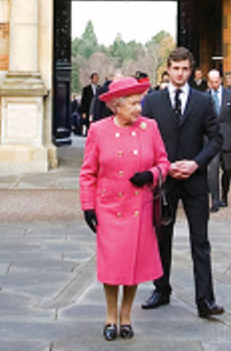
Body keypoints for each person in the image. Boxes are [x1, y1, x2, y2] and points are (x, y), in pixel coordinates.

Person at [79, 77, 169, 341]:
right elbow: (88, 173)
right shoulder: (98, 130)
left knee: (133, 265)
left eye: (139, 103)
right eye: (132, 104)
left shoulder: (150, 128)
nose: (138, 109)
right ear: (117, 106)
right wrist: (88, 206)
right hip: (108, 207)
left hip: (138, 206)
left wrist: (151, 175)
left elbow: (164, 163)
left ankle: (126, 316)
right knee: (112, 266)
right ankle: (110, 316)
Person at [140, 47, 224, 319]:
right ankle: (161, 289)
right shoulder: (152, 101)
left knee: (200, 240)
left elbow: (215, 139)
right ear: (168, 68)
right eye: (175, 68)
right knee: (162, 237)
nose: (180, 73)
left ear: (191, 70)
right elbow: (145, 141)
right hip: (164, 181)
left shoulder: (202, 101)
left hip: (195, 180)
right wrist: (164, 167)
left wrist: (196, 163)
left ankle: (205, 299)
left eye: (185, 69)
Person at [206, 69, 231, 211]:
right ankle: (215, 200)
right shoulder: (204, 97)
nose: (214, 84)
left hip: (227, 137)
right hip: (211, 138)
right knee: (212, 171)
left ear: (220, 80)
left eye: (216, 81)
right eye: (211, 82)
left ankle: (225, 195)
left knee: (226, 169)